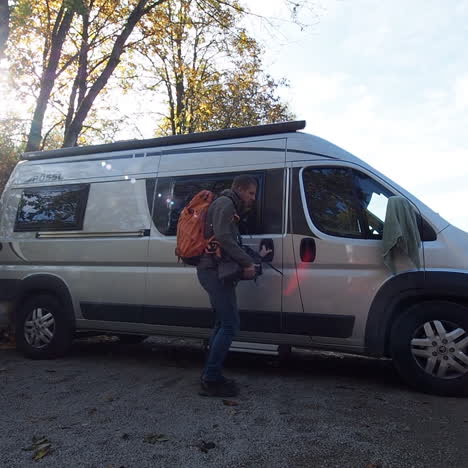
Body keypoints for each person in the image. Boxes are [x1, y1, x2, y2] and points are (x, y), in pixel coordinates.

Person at [197, 175, 265, 397]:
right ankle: (211, 378)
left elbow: (227, 239)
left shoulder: (228, 205)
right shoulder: (226, 204)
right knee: (229, 324)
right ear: (239, 189)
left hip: (214, 271)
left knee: (221, 323)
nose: (253, 198)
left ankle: (211, 373)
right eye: (251, 193)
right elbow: (224, 238)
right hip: (213, 272)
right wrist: (247, 261)